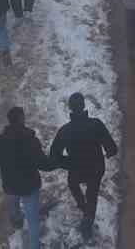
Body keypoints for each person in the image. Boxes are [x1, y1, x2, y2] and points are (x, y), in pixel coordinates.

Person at [49, 92, 119, 240]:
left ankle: (82, 205)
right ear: (83, 106)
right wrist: (108, 153)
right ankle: (87, 222)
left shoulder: (64, 131)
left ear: (70, 108)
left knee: (72, 183)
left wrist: (67, 163)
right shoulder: (96, 124)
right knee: (92, 194)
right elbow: (112, 148)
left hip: (76, 169)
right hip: (96, 168)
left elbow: (54, 155)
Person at [0, 106, 54, 249]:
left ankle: (17, 223)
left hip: (10, 184)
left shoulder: (0, 140)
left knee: (13, 206)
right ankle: (34, 246)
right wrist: (57, 162)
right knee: (33, 220)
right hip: (29, 186)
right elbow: (43, 163)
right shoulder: (30, 140)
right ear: (21, 119)